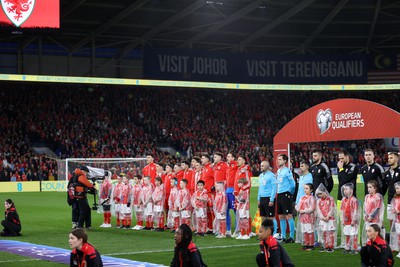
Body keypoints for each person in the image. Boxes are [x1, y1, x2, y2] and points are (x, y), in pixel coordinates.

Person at [276, 154, 295, 243]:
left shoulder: (287, 171)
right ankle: (283, 236)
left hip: (285, 195)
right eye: (278, 159)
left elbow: (293, 184)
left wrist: (289, 193)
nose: (278, 161)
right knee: (281, 216)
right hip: (279, 195)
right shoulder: (279, 171)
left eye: (280, 159)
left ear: (284, 161)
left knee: (288, 215)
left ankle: (291, 237)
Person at [339, 183, 361, 254]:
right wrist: (342, 219)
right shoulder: (343, 200)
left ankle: (354, 248)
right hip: (346, 221)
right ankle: (347, 247)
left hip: (352, 222)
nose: (345, 191)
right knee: (347, 234)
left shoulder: (354, 200)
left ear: (351, 190)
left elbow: (355, 211)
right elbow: (341, 210)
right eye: (344, 189)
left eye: (346, 189)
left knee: (354, 234)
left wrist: (354, 220)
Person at [315, 184, 337, 253]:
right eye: (318, 195)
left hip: (330, 219)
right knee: (324, 232)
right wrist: (322, 217)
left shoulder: (330, 199)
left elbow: (332, 208)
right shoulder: (319, 201)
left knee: (330, 232)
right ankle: (325, 245)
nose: (320, 196)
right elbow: (318, 210)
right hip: (323, 219)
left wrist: (328, 216)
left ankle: (331, 246)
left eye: (321, 194)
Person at [258, 160, 277, 234]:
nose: (261, 167)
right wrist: (258, 199)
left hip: (269, 198)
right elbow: (260, 188)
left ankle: (274, 233)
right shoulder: (261, 176)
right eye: (261, 165)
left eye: (262, 166)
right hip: (262, 198)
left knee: (271, 217)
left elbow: (274, 188)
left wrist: (272, 199)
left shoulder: (271, 176)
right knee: (263, 217)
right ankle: (264, 233)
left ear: (267, 166)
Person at [362, 180, 384, 246]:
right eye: (368, 187)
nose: (369, 189)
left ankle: (376, 248)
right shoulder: (367, 196)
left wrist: (371, 217)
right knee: (368, 235)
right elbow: (365, 207)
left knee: (374, 235)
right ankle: (369, 248)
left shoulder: (378, 196)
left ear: (375, 188)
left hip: (375, 220)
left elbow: (377, 208)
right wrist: (365, 215)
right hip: (367, 219)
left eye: (370, 187)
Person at [295, 183, 316, 251]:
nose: (305, 190)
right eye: (304, 188)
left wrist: (303, 211)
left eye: (307, 188)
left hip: (309, 217)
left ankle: (311, 245)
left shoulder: (312, 198)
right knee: (304, 231)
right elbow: (298, 206)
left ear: (311, 190)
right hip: (303, 218)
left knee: (310, 230)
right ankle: (306, 244)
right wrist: (298, 209)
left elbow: (312, 208)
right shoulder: (302, 198)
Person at [385, 152, 400, 222]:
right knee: (391, 221)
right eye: (388, 158)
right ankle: (392, 233)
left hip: (399, 201)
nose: (389, 160)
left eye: (391, 158)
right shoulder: (387, 173)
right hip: (390, 201)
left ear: (396, 159)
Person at [225, 152, 238, 236]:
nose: (227, 158)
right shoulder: (227, 167)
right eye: (227, 156)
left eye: (229, 156)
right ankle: (228, 230)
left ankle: (237, 230)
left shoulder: (236, 165)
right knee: (226, 210)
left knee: (235, 211)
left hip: (233, 190)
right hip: (227, 190)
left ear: (233, 158)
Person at [390, 181, 400, 257]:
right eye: (396, 188)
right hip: (397, 220)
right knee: (398, 235)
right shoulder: (395, 198)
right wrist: (393, 210)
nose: (397, 190)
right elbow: (393, 206)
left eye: (398, 188)